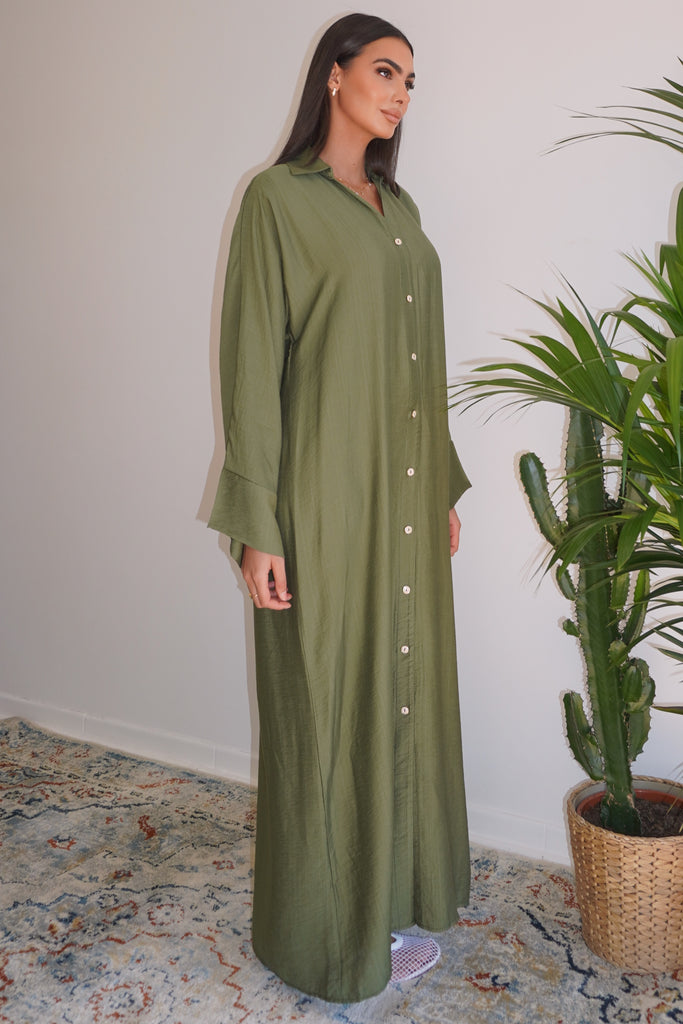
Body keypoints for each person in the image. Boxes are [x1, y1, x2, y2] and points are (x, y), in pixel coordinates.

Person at [209, 13, 470, 1003]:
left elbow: (419, 364)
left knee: (399, 696)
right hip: (324, 498)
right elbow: (251, 366)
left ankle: (385, 902)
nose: (399, 93)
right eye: (384, 71)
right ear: (333, 76)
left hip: (403, 492)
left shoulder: (399, 210)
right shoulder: (277, 200)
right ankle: (320, 941)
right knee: (324, 705)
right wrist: (258, 525)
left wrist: (438, 483)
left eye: (410, 81)